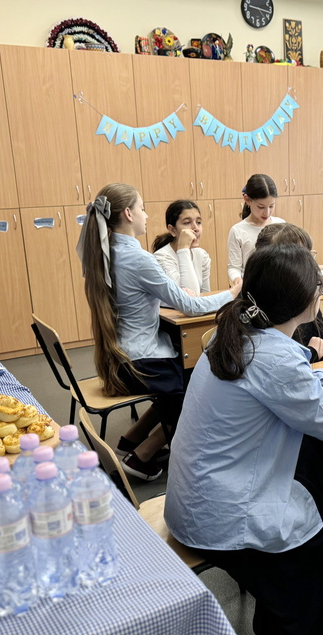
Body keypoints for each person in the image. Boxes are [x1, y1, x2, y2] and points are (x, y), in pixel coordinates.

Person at [164, 244, 323, 635]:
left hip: (192, 499)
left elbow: (284, 383)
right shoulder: (273, 355)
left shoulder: (233, 332)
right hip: (221, 520)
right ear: (307, 301)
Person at [77, 183, 240, 479]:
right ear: (128, 214)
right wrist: (232, 294)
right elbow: (191, 307)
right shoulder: (139, 258)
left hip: (121, 359)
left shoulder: (107, 252)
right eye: (142, 208)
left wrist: (173, 296)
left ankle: (133, 437)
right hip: (140, 364)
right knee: (199, 380)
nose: (146, 215)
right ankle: (142, 456)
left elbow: (140, 295)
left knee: (185, 367)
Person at [255, 222, 323, 362]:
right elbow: (282, 365)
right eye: (300, 257)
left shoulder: (305, 295)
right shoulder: (262, 307)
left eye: (309, 255)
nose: (309, 264)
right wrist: (312, 352)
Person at [226, 173, 283, 284]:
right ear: (247, 200)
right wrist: (237, 279)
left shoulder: (281, 225)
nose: (267, 212)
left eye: (271, 206)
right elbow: (234, 267)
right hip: (250, 287)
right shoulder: (237, 231)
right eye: (261, 207)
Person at [151, 199, 211, 295]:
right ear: (172, 230)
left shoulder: (202, 255)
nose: (196, 228)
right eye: (187, 222)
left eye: (198, 222)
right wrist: (183, 248)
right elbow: (186, 298)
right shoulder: (161, 258)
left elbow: (205, 295)